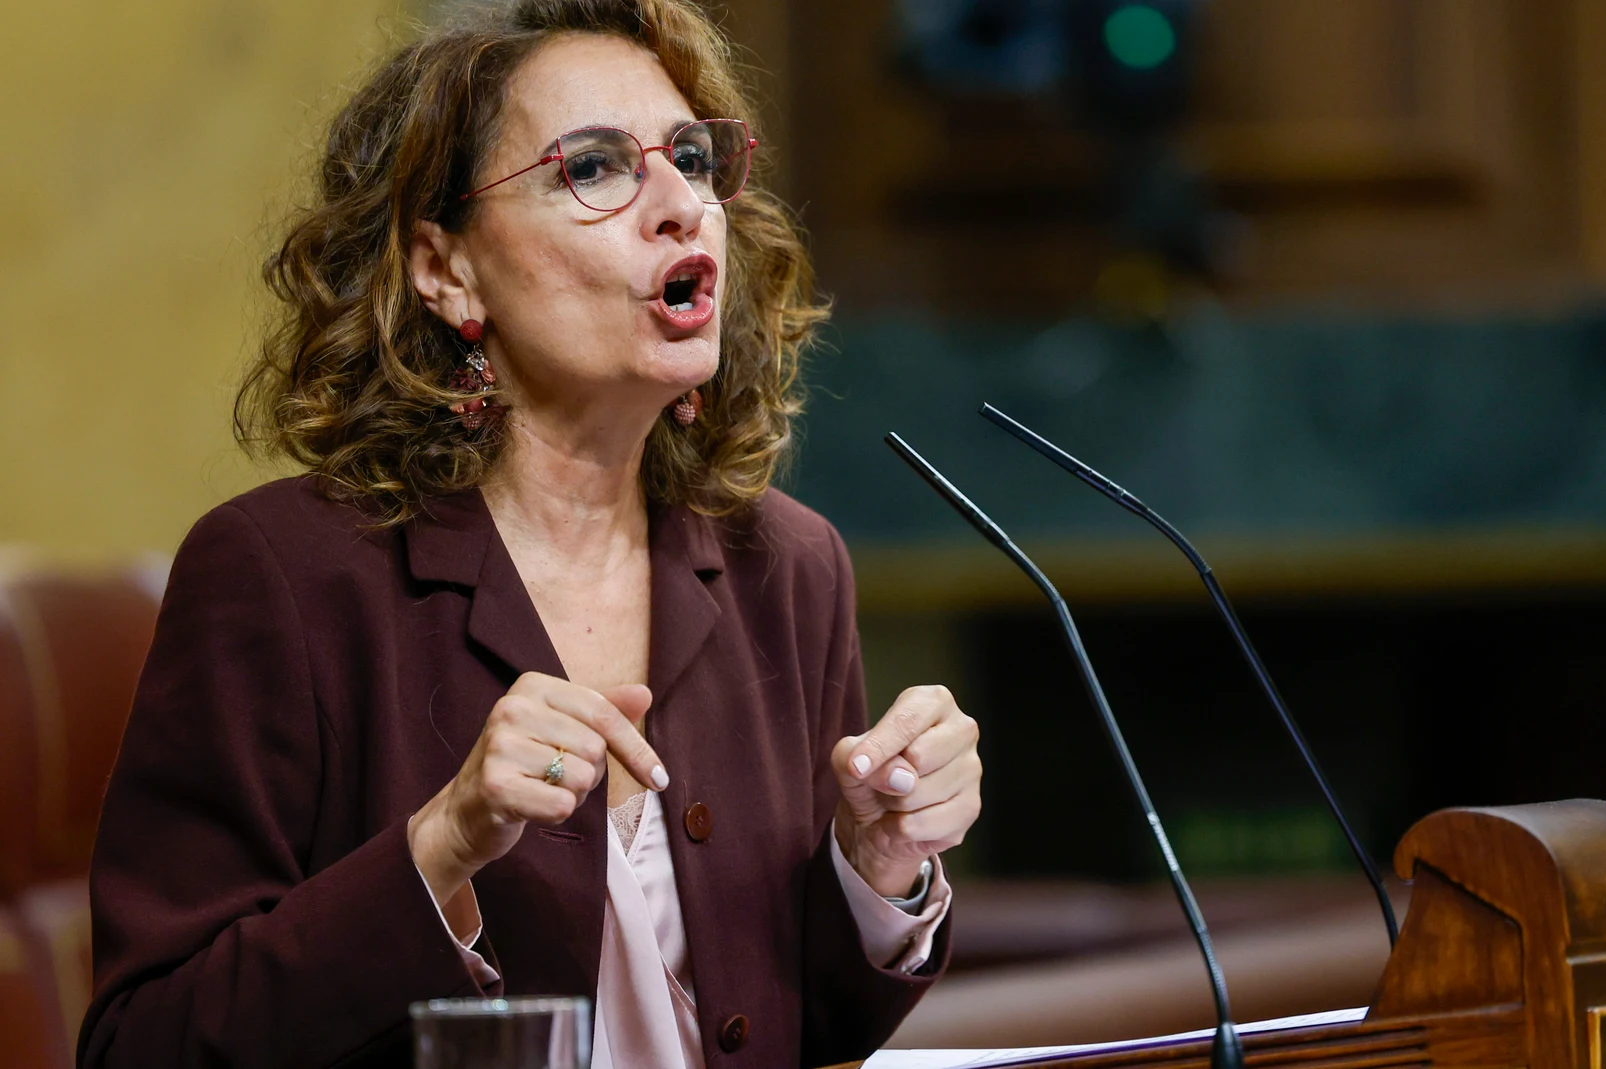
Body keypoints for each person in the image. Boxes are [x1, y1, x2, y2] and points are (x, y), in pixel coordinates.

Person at [77, 1, 982, 1066]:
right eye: (593, 169)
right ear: (445, 269)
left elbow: (800, 1024)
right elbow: (143, 1042)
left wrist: (876, 867)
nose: (680, 205)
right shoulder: (283, 576)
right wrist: (441, 843)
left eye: (691, 158)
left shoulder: (784, 567)